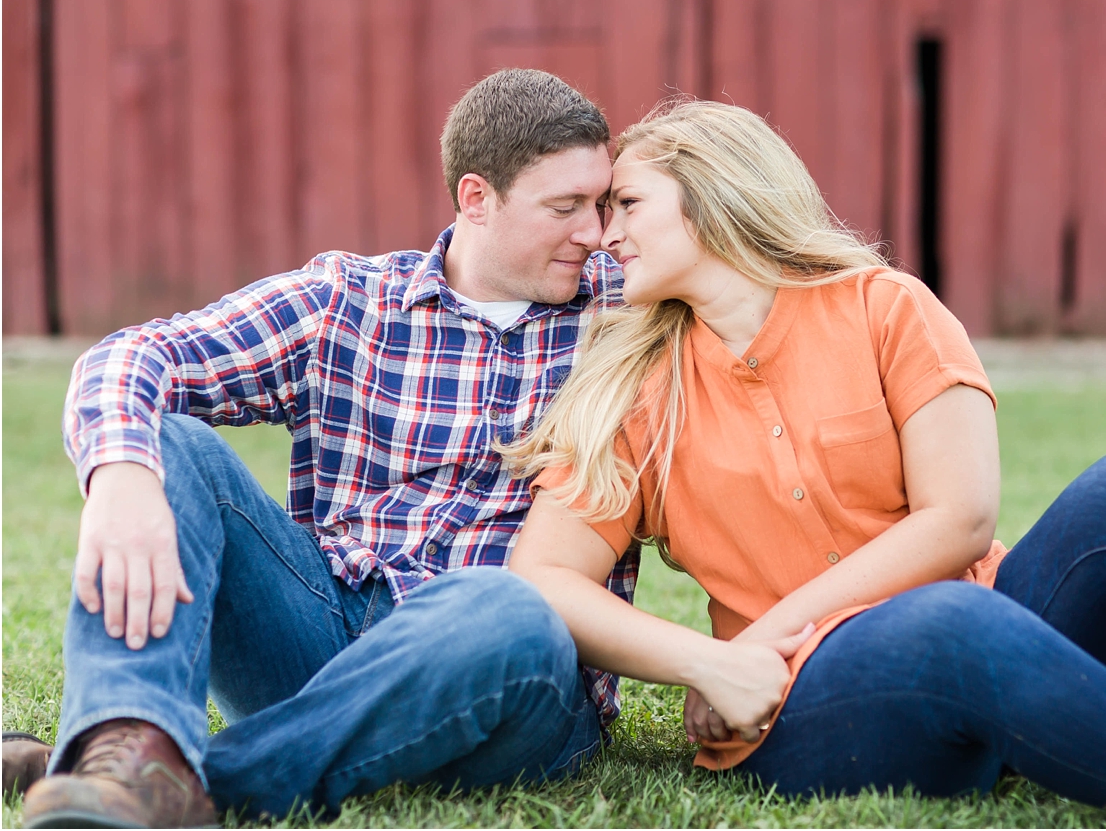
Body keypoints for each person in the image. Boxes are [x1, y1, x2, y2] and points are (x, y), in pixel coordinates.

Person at [505, 99, 1106, 829]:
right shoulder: (635, 387)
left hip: (1003, 640)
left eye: (627, 204)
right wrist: (707, 663)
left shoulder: (887, 308)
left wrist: (772, 631)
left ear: (713, 195)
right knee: (945, 623)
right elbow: (545, 575)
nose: (602, 234)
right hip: (806, 710)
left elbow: (960, 519)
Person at [14, 69, 640, 828]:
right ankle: (124, 744)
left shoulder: (630, 308)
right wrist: (119, 475)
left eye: (602, 204)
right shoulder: (350, 300)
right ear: (477, 199)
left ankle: (172, 781)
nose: (595, 232)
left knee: (508, 604)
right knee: (167, 442)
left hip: (509, 669)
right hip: (322, 629)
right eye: (566, 207)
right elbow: (134, 356)